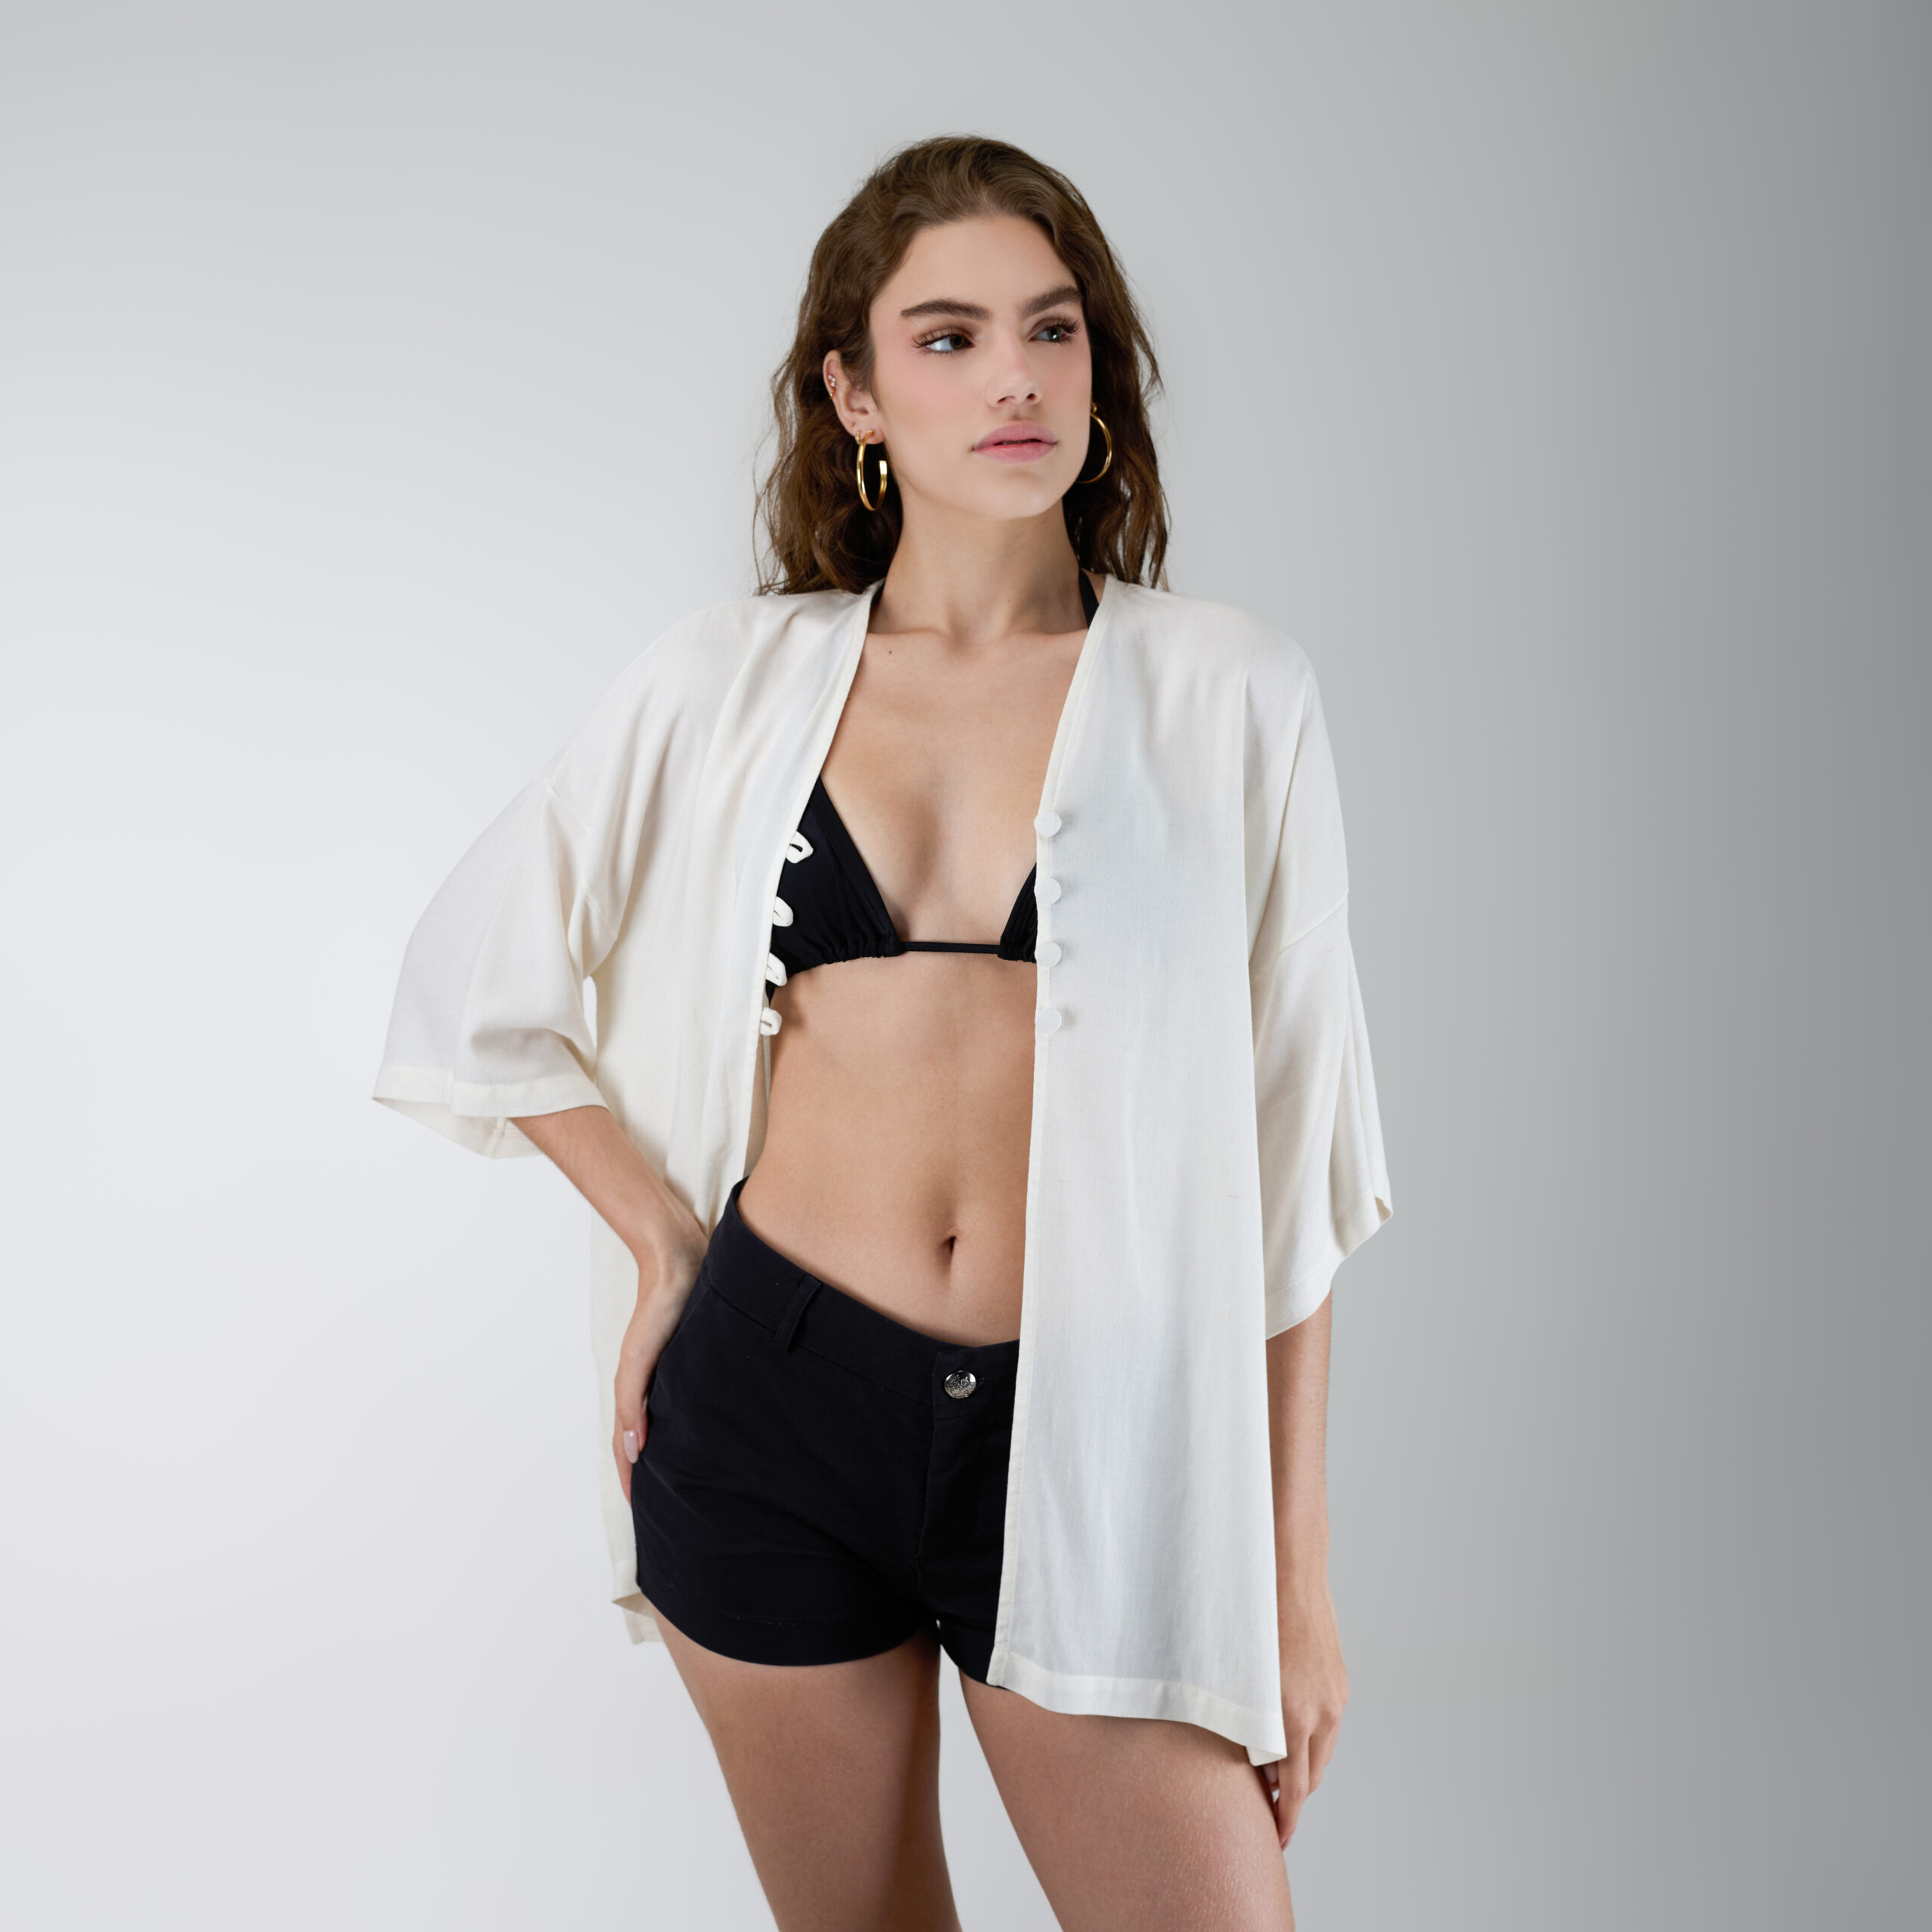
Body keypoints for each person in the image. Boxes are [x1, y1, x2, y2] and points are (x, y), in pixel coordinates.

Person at [374, 134, 1391, 1931]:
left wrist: (1292, 1579)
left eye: (1051, 330)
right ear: (853, 393)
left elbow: (1295, 1151)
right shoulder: (726, 680)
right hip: (769, 1409)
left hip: (1093, 1425)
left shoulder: (1229, 690)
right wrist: (661, 1237)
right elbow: (476, 975)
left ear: (1098, 371)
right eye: (946, 337)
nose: (1012, 378)